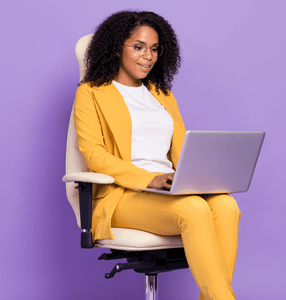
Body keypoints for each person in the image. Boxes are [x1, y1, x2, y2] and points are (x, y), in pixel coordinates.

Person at [73, 10, 240, 300]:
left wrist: (199, 176)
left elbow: (180, 151)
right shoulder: (91, 93)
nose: (148, 56)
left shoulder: (162, 94)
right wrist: (150, 179)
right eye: (138, 47)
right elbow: (94, 156)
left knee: (226, 205)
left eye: (153, 49)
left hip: (170, 189)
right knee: (194, 210)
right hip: (122, 194)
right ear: (116, 48)